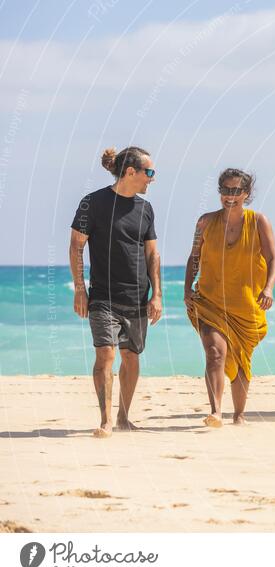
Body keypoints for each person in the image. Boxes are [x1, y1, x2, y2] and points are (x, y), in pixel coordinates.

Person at [69, 146, 162, 438]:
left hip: (137, 296)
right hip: (103, 297)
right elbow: (76, 246)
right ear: (131, 172)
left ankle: (124, 417)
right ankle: (105, 420)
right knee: (105, 355)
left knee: (131, 357)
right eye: (149, 172)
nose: (152, 179)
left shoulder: (145, 208)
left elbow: (152, 255)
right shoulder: (92, 203)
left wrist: (157, 294)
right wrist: (80, 290)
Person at [185, 169, 275, 427]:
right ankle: (216, 411)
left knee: (240, 360)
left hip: (246, 305)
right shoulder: (204, 222)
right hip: (209, 301)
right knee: (215, 352)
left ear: (246, 194)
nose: (230, 196)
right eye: (225, 190)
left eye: (236, 191)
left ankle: (239, 415)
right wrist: (186, 290)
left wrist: (268, 288)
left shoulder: (259, 221)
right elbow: (194, 257)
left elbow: (272, 259)